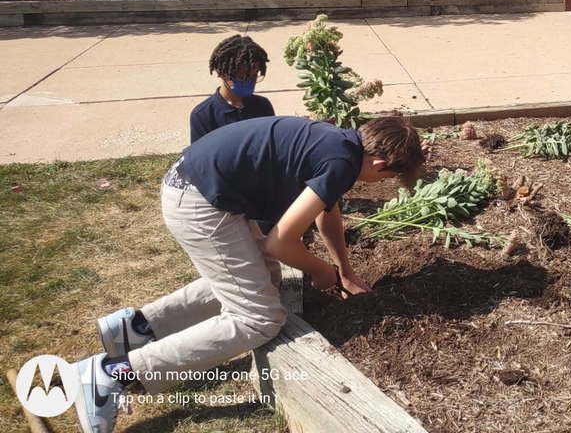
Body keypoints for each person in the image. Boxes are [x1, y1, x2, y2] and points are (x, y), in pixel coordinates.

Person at [72, 114, 423, 433]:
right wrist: (321, 271)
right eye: (387, 178)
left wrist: (344, 271)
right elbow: (280, 243)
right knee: (259, 318)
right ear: (379, 164)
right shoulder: (340, 162)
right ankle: (111, 374)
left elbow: (327, 214)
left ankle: (134, 328)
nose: (381, 184)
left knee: (266, 280)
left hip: (200, 187)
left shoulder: (339, 144)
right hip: (200, 204)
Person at [190, 35, 275, 143]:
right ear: (223, 74)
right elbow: (201, 157)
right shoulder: (204, 115)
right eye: (243, 76)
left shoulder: (262, 106)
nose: (250, 81)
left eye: (254, 76)